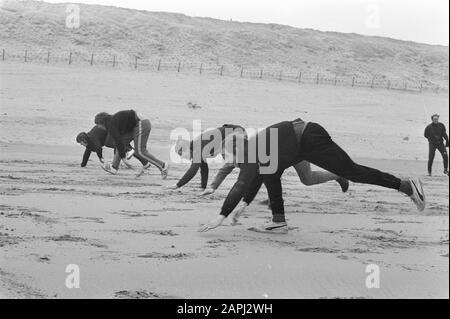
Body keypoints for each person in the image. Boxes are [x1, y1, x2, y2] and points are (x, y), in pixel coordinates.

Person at [199, 118, 426, 234]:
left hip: (308, 137)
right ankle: (279, 222)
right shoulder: (256, 151)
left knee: (352, 171)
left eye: (229, 155)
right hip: (298, 145)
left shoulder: (250, 151)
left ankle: (406, 186)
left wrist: (221, 216)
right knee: (271, 173)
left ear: (238, 149)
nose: (230, 160)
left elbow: (240, 184)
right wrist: (244, 205)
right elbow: (255, 180)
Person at [201, 160, 349, 196]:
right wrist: (213, 187)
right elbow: (224, 169)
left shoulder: (257, 155)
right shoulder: (237, 158)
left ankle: (338, 175)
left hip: (296, 154)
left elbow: (272, 176)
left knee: (308, 179)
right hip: (281, 158)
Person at [94, 110, 168, 178]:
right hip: (135, 126)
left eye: (98, 125)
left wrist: (124, 159)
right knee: (121, 143)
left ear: (102, 122)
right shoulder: (113, 120)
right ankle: (114, 167)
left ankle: (162, 165)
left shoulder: (111, 124)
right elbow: (119, 143)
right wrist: (123, 157)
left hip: (142, 124)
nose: (98, 127)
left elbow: (118, 140)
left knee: (140, 151)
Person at [169, 124, 246, 190]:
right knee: (233, 161)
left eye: (181, 154)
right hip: (235, 132)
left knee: (233, 161)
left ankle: (249, 175)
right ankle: (250, 173)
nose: (182, 158)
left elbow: (193, 170)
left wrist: (177, 185)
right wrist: (203, 187)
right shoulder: (197, 147)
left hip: (237, 132)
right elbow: (204, 168)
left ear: (186, 148)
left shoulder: (197, 147)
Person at [76, 125, 144, 168]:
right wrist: (83, 165)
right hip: (111, 132)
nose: (81, 144)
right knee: (121, 149)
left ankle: (118, 164)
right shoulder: (89, 142)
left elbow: (98, 148)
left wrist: (100, 158)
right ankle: (144, 161)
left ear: (84, 140)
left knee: (118, 147)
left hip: (113, 131)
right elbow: (87, 153)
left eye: (80, 142)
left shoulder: (92, 138)